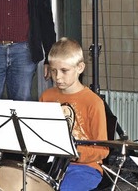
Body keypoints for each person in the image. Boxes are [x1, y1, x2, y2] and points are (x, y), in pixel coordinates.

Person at [39, 37, 109, 191]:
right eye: (53, 70)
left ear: (80, 68)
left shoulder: (93, 102)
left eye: (64, 71)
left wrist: (73, 153)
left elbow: (103, 150)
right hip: (53, 165)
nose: (57, 77)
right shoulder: (47, 96)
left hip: (86, 168)